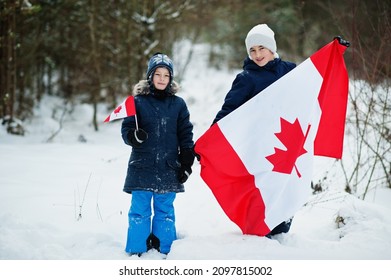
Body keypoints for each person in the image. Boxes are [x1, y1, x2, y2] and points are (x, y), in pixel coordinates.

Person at [212, 24, 296, 237]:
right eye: (252, 50)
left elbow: (317, 79)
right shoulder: (246, 78)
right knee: (263, 188)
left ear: (272, 48)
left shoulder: (290, 70)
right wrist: (211, 138)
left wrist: (336, 52)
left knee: (283, 186)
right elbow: (228, 109)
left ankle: (282, 229)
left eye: (262, 48)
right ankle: (261, 231)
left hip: (287, 142)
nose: (257, 54)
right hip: (259, 145)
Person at [121, 53, 195, 256]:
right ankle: (137, 248)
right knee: (139, 211)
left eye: (166, 75)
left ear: (171, 78)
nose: (162, 79)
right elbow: (126, 131)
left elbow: (185, 132)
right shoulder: (137, 102)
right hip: (141, 167)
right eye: (158, 74)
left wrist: (187, 157)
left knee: (165, 211)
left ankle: (165, 248)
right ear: (150, 76)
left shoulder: (178, 104)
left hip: (168, 166)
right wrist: (133, 136)